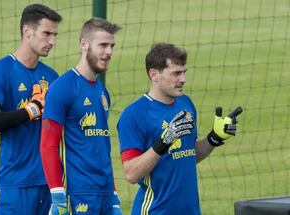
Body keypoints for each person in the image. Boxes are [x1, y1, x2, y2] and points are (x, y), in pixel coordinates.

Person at [117, 43, 243, 214]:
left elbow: (188, 154)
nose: (183, 79)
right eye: (176, 73)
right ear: (154, 75)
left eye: (184, 72)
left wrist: (213, 139)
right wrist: (164, 141)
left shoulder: (185, 103)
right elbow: (132, 174)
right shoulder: (133, 115)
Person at [0, 4, 62, 215]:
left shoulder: (52, 78)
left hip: (47, 186)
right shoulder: (0, 71)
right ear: (27, 31)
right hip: (10, 186)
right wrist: (32, 110)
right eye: (47, 33)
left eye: (55, 35)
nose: (52, 41)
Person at [40, 17, 123, 215]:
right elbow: (48, 145)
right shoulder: (62, 88)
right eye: (103, 45)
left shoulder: (102, 92)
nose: (109, 52)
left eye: (111, 46)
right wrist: (57, 193)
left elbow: (102, 147)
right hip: (76, 195)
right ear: (84, 44)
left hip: (104, 194)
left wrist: (113, 194)